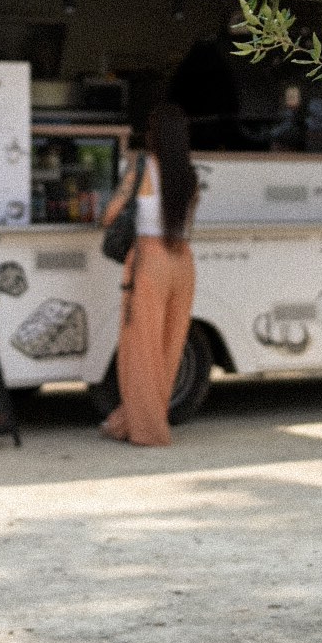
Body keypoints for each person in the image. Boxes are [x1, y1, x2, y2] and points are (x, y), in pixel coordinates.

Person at [100, 103, 198, 446]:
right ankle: (131, 421)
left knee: (141, 348)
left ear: (154, 136)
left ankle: (147, 430)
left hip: (151, 259)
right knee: (170, 347)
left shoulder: (141, 168)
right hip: (183, 262)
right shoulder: (190, 176)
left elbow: (110, 214)